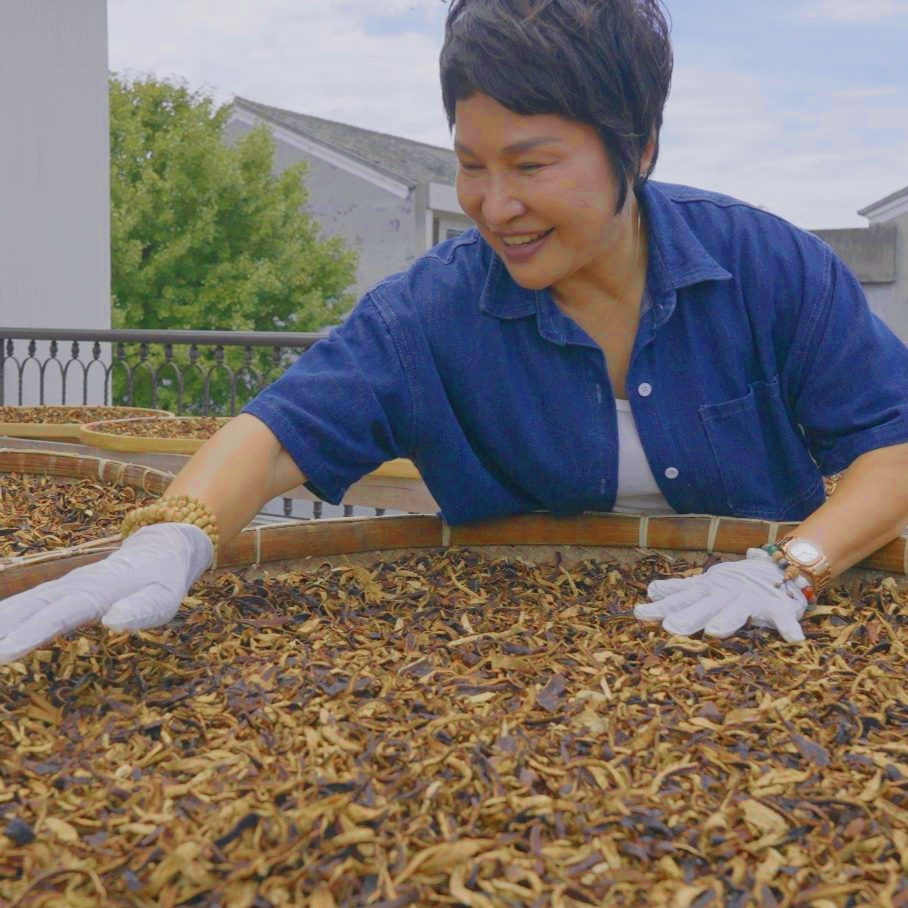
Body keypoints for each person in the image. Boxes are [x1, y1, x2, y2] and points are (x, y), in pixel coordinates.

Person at [2, 0, 907, 664]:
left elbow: (892, 449)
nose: (494, 204)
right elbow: (279, 436)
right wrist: (175, 536)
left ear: (639, 150)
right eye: (470, 164)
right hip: (510, 663)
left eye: (532, 164)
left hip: (769, 636)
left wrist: (788, 572)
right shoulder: (430, 313)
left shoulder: (767, 266)